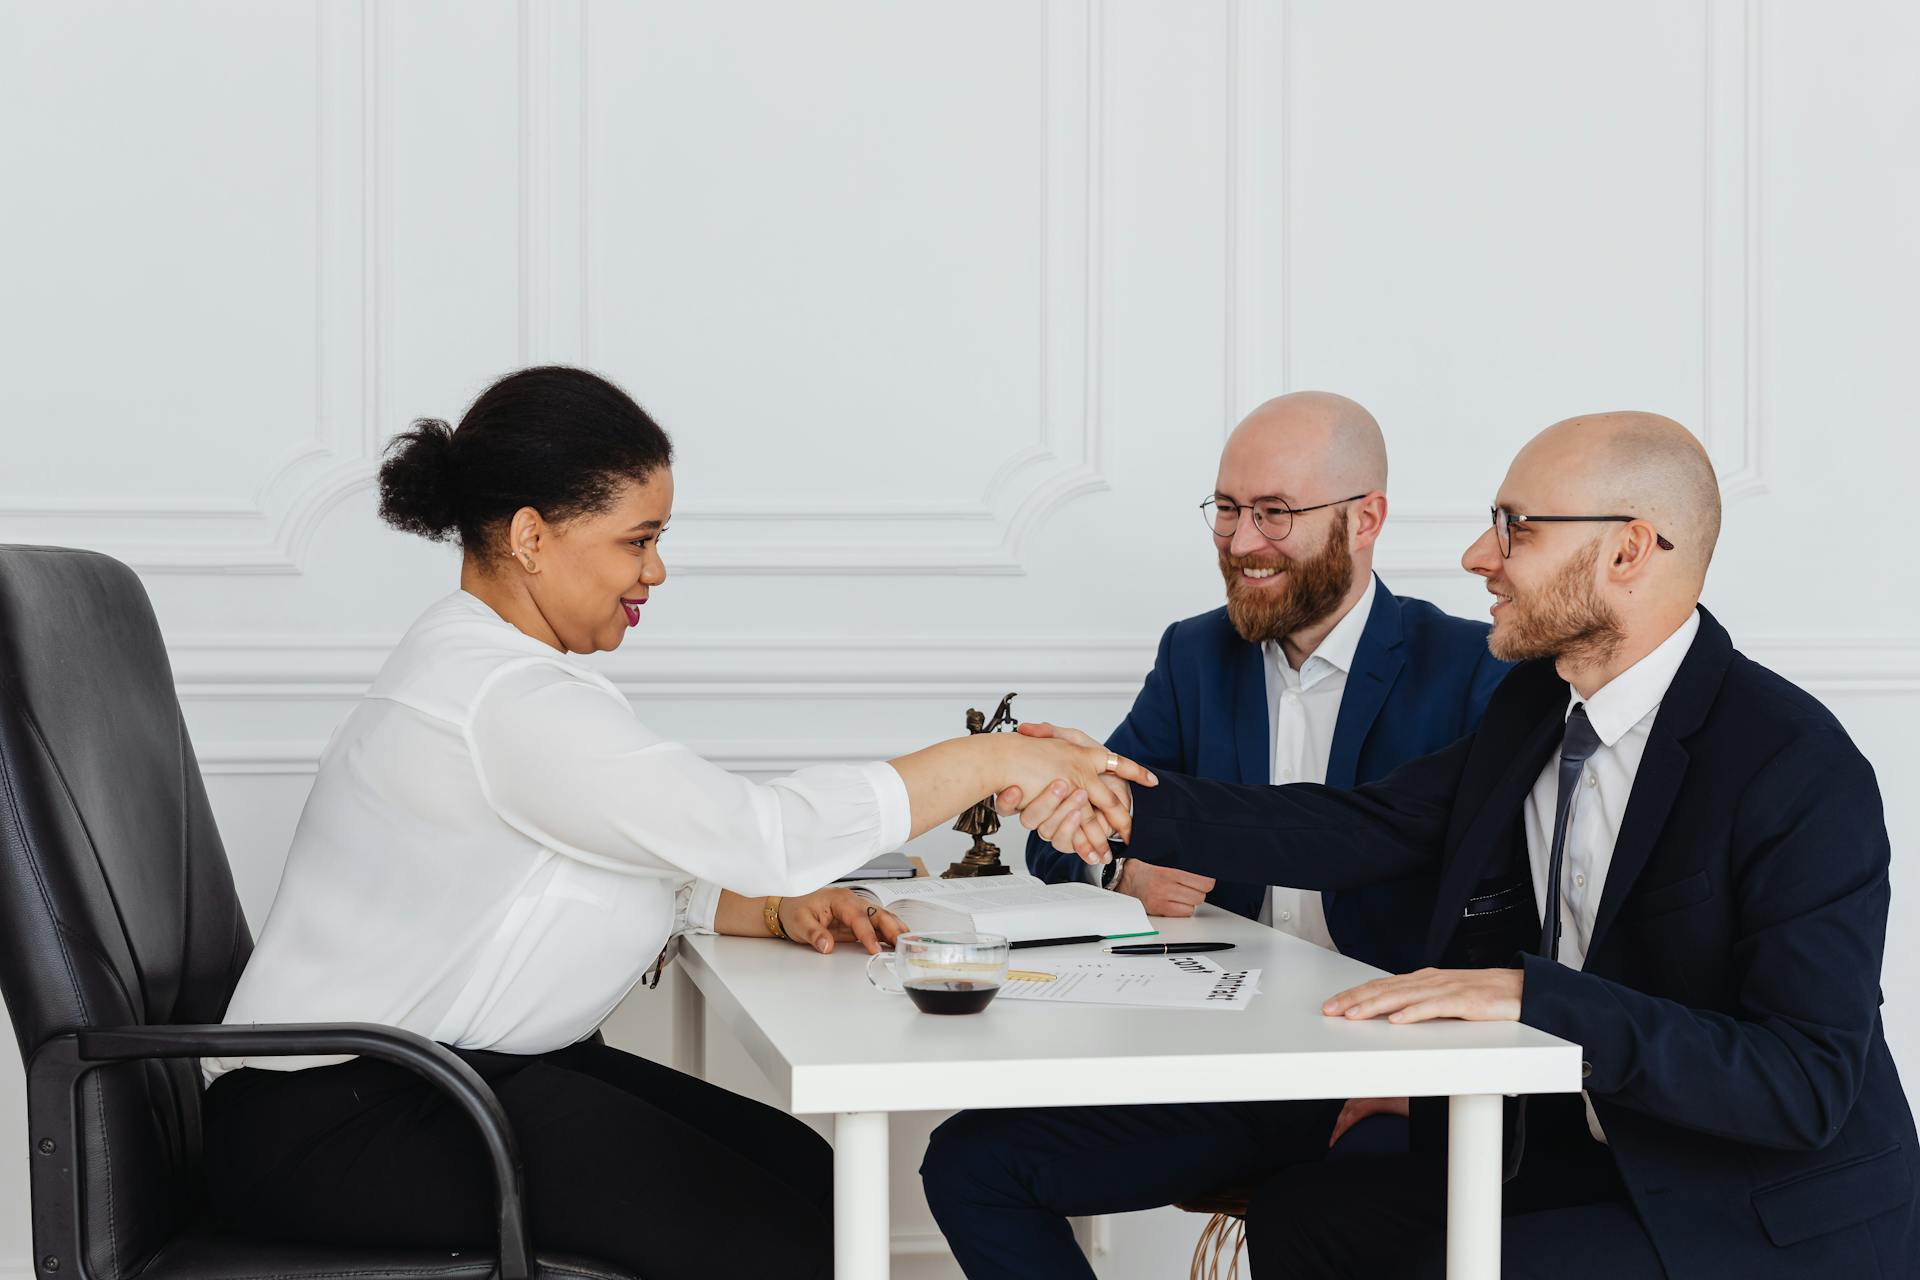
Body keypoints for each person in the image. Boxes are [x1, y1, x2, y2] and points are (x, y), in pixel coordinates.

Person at [198, 366, 1151, 1280]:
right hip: (347, 1120)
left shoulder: (491, 671)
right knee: (782, 1239)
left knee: (819, 1191)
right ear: (532, 536)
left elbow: (572, 860)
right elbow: (758, 831)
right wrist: (988, 759)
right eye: (636, 538)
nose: (656, 570)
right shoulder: (504, 698)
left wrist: (771, 911)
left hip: (430, 1083)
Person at [1019, 412, 1919, 1277]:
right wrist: (1119, 795)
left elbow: (1804, 1083)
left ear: (1629, 549)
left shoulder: (1795, 766)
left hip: (1751, 1204)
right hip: (1577, 1154)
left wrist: (1537, 998)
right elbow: (1359, 825)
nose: (1477, 557)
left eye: (1515, 529)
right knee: (1307, 1219)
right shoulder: (1534, 708)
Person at [918, 393, 1508, 1280]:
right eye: (1227, 510)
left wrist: (1427, 1085)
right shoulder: (1195, 655)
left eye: (1274, 513)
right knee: (972, 1164)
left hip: (1392, 1077)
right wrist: (1125, 875)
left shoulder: (1473, 667)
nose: (1238, 542)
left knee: (1323, 1219)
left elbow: (1510, 911)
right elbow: (1067, 837)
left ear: (1366, 519)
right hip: (1232, 1061)